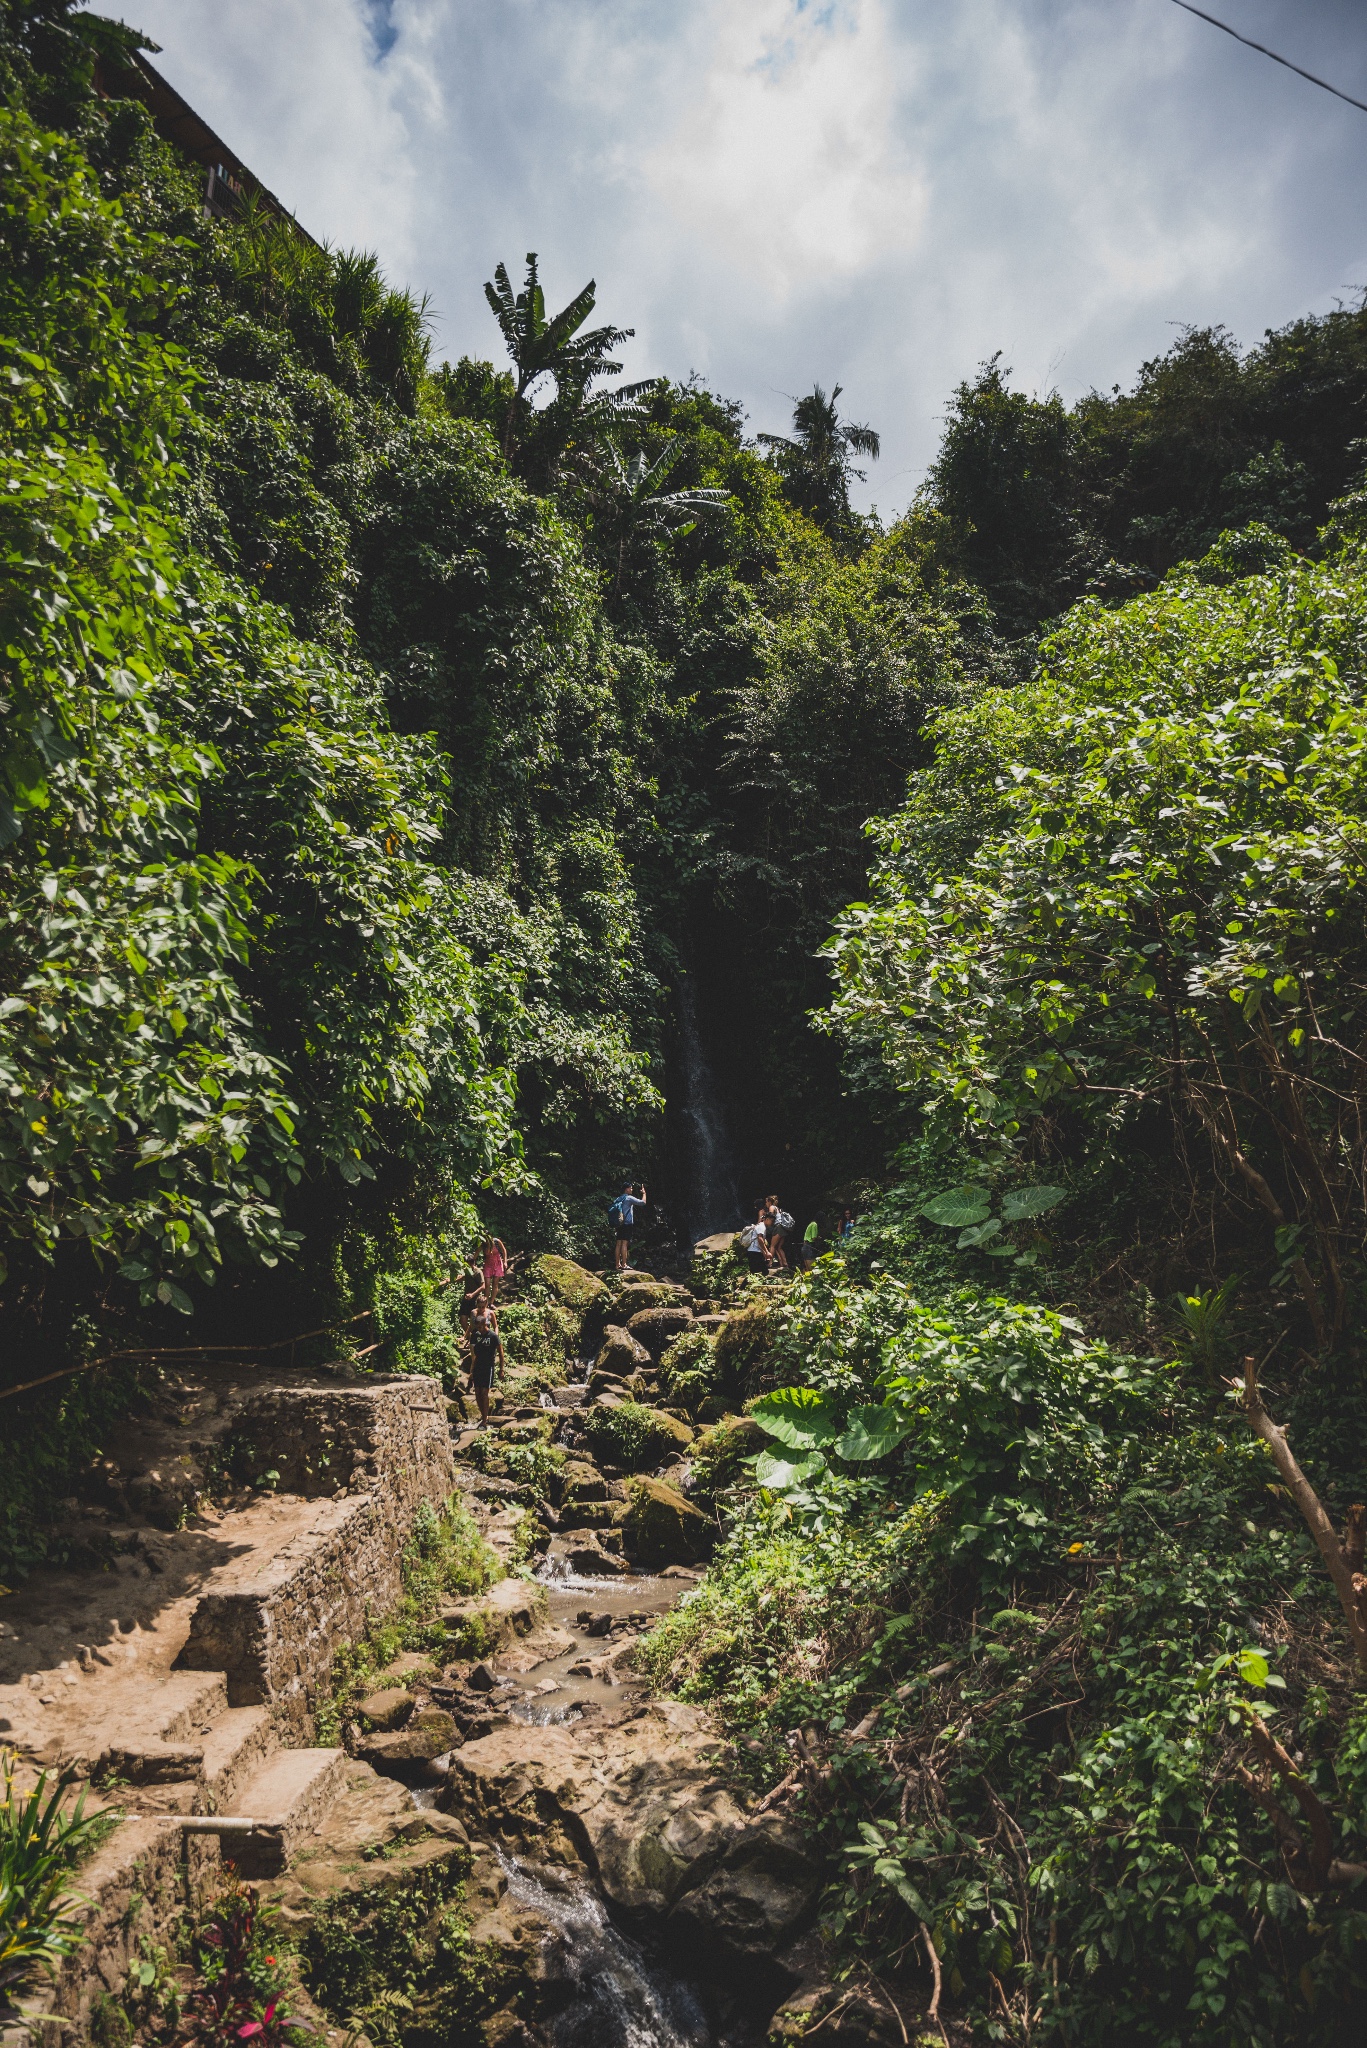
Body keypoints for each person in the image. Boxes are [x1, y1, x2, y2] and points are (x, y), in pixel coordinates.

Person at [468, 1303, 505, 1426]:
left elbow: (500, 1352)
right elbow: (473, 1355)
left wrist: (501, 1369)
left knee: (484, 1393)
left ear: (485, 1324)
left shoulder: (493, 1336)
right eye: (477, 1327)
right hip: (478, 1366)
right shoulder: (475, 1335)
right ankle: (484, 1415)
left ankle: (485, 1419)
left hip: (488, 1367)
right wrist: (471, 1371)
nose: (479, 1329)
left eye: (481, 1327)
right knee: (477, 1393)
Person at [609, 1181, 648, 1271]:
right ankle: (624, 1264)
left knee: (618, 1243)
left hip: (619, 1223)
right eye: (630, 1188)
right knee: (624, 1244)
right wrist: (644, 1193)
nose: (632, 1189)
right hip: (627, 1223)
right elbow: (643, 1202)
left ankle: (617, 1264)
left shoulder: (619, 1198)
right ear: (626, 1189)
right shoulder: (629, 1198)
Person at [458, 1265, 485, 1338]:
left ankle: (474, 1340)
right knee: (462, 1319)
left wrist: (473, 1295)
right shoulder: (466, 1271)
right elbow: (462, 1278)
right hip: (466, 1299)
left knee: (475, 1322)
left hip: (475, 1299)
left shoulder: (478, 1272)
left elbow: (483, 1286)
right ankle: (470, 1338)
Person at [481, 1234, 507, 1303]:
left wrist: (505, 1262)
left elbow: (504, 1250)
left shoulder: (497, 1241)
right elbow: (476, 1254)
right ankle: (485, 1303)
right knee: (487, 1284)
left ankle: (492, 1302)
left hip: (497, 1263)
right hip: (488, 1264)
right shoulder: (483, 1244)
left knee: (495, 1283)